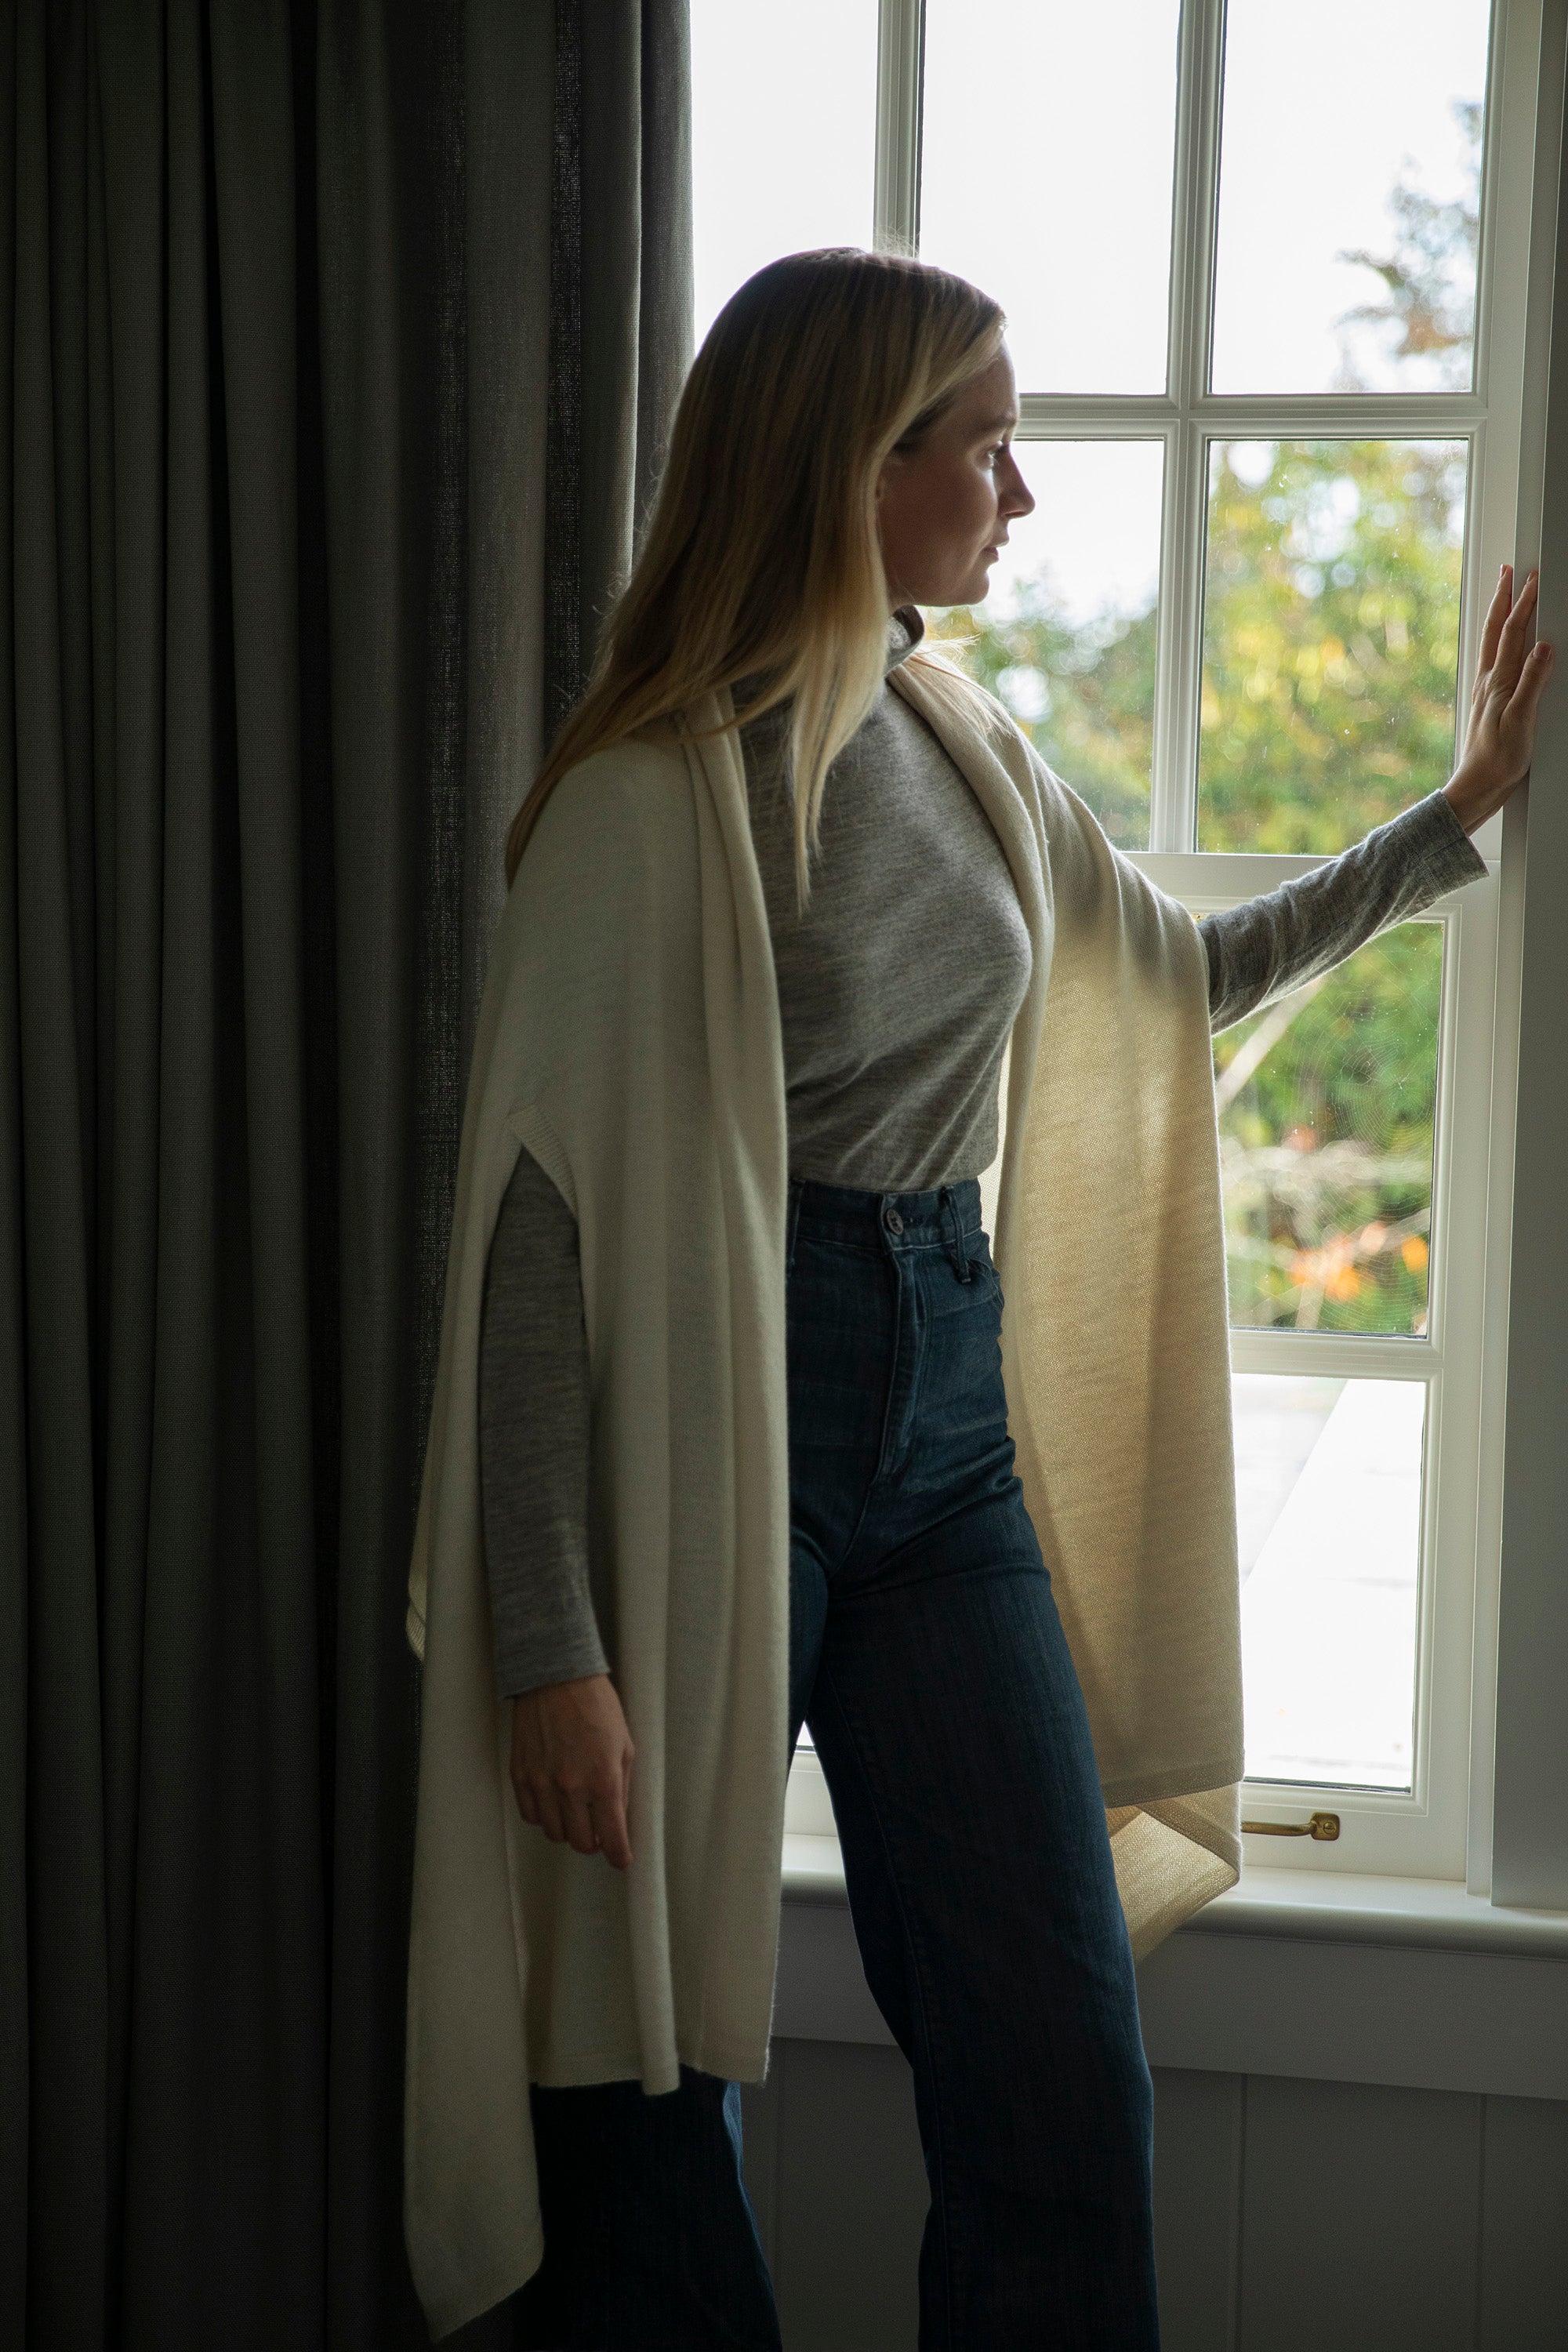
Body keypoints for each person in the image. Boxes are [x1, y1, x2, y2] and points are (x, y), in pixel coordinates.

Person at [411, 250, 1552, 2351]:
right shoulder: (653, 793)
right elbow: (536, 1241)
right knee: (641, 2075)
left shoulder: (958, 737)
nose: (1021, 494)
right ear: (858, 467)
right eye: (988, 447)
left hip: (946, 1434)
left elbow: (1165, 985)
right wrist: (549, 1649)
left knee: (1057, 2076)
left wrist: (1451, 819)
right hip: (722, 1428)